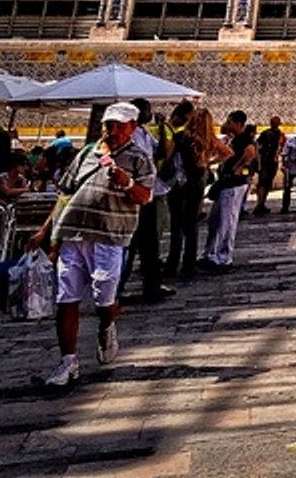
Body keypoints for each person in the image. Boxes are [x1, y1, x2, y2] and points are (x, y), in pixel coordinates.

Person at [32, 102, 155, 390]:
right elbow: (65, 194)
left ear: (133, 128)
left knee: (104, 300)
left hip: (109, 236)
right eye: (108, 125)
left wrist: (126, 183)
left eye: (119, 126)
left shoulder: (139, 158)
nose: (111, 131)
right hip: (74, 234)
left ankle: (106, 325)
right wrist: (48, 233)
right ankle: (68, 360)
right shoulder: (87, 153)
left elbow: (144, 197)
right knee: (66, 298)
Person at [126, 98, 173, 303]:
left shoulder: (145, 133)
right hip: (136, 195)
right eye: (147, 110)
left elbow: (161, 152)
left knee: (149, 242)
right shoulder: (130, 136)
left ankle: (152, 284)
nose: (150, 113)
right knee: (133, 243)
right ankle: (117, 287)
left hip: (149, 193)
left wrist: (163, 129)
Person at [167, 104, 221, 280]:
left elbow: (168, 156)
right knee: (192, 225)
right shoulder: (209, 140)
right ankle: (189, 264)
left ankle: (172, 264)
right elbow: (227, 152)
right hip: (198, 183)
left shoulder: (183, 136)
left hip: (180, 183)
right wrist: (208, 162)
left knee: (177, 226)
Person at [200, 111, 254, 272]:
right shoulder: (234, 138)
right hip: (227, 183)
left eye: (230, 122)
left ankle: (222, 257)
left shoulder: (243, 139)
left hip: (233, 184)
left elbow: (250, 152)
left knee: (226, 221)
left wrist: (239, 166)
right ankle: (211, 253)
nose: (227, 124)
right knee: (217, 220)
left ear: (238, 124)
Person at [253, 116, 284, 217]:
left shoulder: (279, 133)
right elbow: (257, 145)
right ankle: (259, 204)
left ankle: (263, 203)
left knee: (268, 183)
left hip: (273, 162)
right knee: (262, 182)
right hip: (265, 161)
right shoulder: (266, 134)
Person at [279, 125, 296, 213]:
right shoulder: (291, 141)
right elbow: (284, 153)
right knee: (287, 188)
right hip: (290, 166)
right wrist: (283, 164)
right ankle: (285, 207)